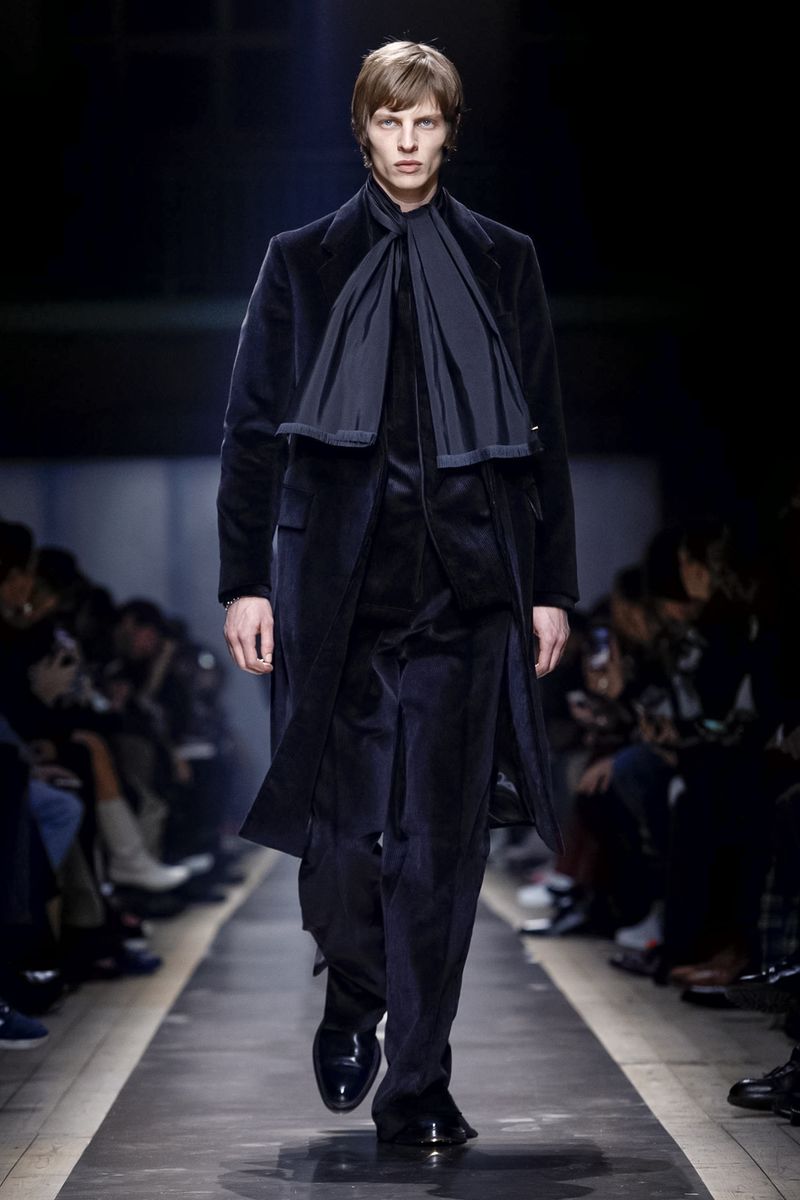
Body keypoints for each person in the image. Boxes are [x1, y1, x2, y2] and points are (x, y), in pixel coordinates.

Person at [216, 39, 578, 1147]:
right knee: (339, 849)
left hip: (468, 595)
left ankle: (417, 1085)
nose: (408, 142)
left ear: (448, 133)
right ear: (363, 130)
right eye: (390, 122)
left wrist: (550, 587)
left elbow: (543, 435)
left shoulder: (503, 260)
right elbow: (250, 432)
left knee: (438, 853)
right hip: (339, 598)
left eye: (426, 123)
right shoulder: (303, 261)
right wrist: (242, 582)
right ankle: (353, 989)